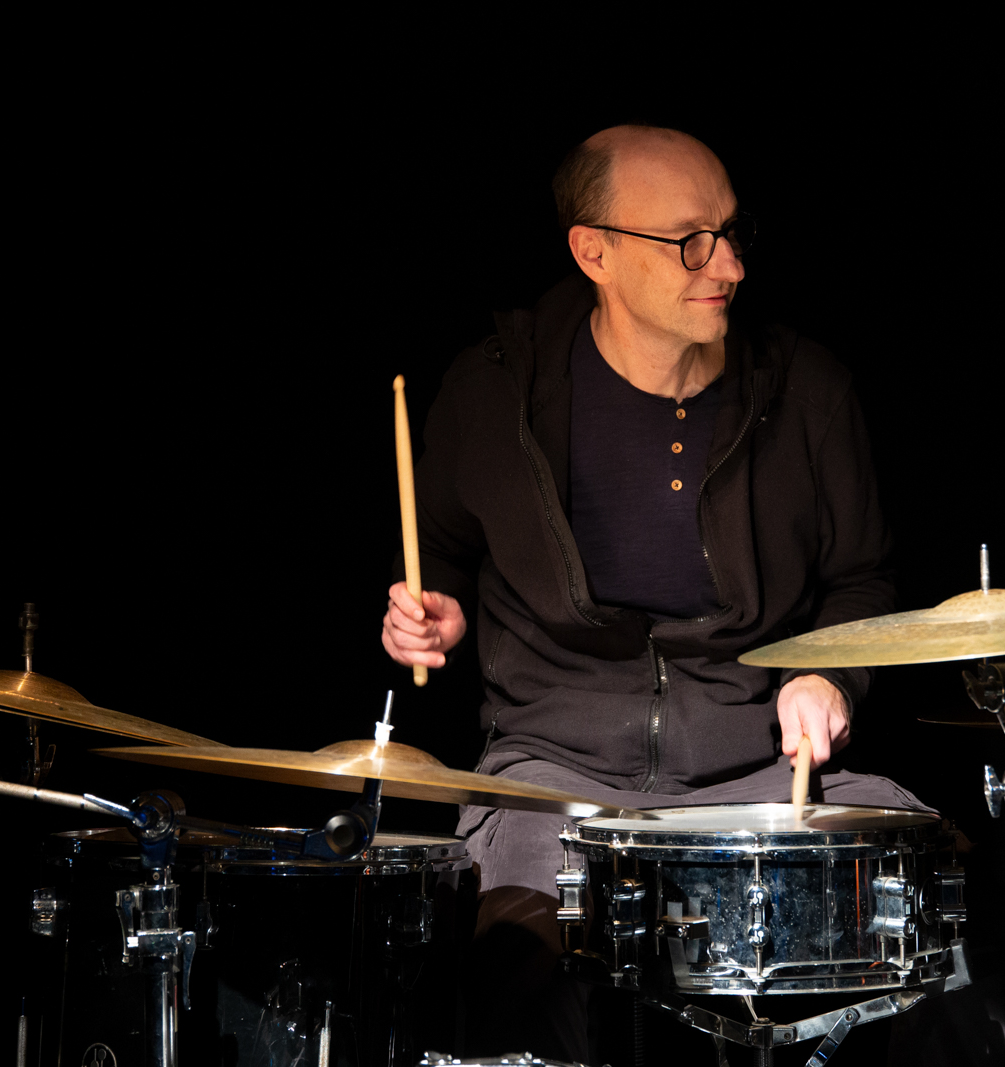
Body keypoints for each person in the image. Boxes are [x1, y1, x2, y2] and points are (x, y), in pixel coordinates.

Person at [380, 125, 924, 1059]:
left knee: (906, 885)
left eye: (732, 233)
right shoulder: (491, 392)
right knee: (520, 956)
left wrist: (831, 677)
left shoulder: (809, 393)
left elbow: (860, 580)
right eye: (690, 242)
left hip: (752, 768)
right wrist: (437, 612)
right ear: (593, 251)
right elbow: (442, 556)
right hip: (551, 772)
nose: (731, 267)